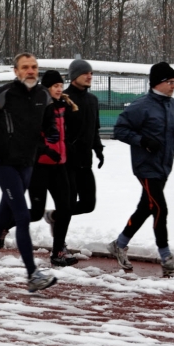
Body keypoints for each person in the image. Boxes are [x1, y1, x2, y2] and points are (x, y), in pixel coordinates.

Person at [0, 53, 58, 291]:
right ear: (16, 71)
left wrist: (51, 132)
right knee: (22, 216)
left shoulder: (43, 95)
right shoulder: (4, 93)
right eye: (25, 67)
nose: (30, 71)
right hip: (4, 163)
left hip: (27, 163)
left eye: (34, 67)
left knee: (4, 217)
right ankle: (32, 274)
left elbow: (47, 123)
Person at [108, 62, 174, 276]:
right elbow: (120, 130)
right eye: (169, 82)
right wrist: (142, 140)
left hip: (164, 166)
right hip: (146, 166)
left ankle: (120, 243)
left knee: (147, 207)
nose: (173, 86)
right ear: (157, 83)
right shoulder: (140, 106)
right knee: (160, 208)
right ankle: (166, 257)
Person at [35, 70, 78, 266]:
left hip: (60, 165)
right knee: (35, 212)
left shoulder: (63, 106)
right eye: (55, 86)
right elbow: (32, 135)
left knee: (66, 207)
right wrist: (45, 149)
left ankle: (58, 250)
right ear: (47, 88)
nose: (60, 89)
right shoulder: (40, 106)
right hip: (41, 166)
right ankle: (3, 226)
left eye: (61, 85)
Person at [55, 59, 103, 229]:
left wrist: (98, 149)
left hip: (85, 162)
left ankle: (54, 216)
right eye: (85, 73)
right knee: (67, 203)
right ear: (74, 76)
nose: (89, 76)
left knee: (88, 204)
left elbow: (94, 128)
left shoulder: (93, 100)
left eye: (91, 73)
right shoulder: (64, 99)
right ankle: (59, 246)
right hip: (66, 163)